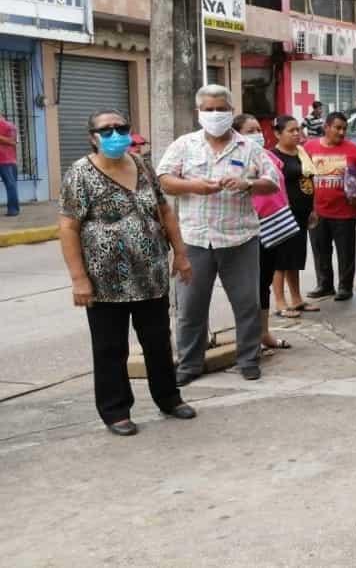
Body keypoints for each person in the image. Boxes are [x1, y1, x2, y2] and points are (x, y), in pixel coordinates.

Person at [58, 109, 198, 435]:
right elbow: (67, 228)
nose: (115, 134)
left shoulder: (142, 165)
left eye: (121, 128)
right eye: (106, 130)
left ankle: (169, 398)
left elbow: (164, 210)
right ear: (92, 137)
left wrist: (181, 254)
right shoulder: (80, 174)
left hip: (150, 276)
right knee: (110, 348)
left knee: (158, 342)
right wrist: (79, 279)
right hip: (105, 282)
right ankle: (116, 411)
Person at [157, 84, 282, 385]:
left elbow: (273, 182)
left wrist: (247, 184)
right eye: (209, 109)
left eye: (221, 109)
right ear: (199, 112)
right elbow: (163, 180)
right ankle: (188, 364)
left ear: (231, 110)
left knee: (247, 304)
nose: (215, 115)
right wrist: (194, 186)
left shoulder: (249, 147)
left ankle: (249, 360)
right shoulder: (184, 145)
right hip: (195, 240)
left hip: (239, 239)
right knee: (190, 307)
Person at [235, 114, 294, 356]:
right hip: (250, 229)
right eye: (250, 130)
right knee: (251, 285)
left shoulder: (267, 157)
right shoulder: (237, 160)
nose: (257, 134)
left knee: (264, 282)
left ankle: (264, 333)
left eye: (259, 129)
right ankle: (249, 338)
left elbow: (279, 188)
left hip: (275, 226)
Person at [304, 111, 356, 302]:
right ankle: (325, 285)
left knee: (346, 252)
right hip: (317, 211)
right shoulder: (310, 147)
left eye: (344, 128)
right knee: (320, 250)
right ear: (326, 127)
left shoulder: (353, 149)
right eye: (337, 128)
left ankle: (345, 287)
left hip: (345, 212)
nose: (341, 132)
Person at [269, 115, 319, 317]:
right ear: (277, 134)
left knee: (295, 259)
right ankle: (280, 304)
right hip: (283, 215)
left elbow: (309, 182)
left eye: (298, 129)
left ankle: (296, 299)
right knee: (280, 260)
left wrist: (312, 209)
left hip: (302, 213)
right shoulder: (273, 157)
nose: (297, 133)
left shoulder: (301, 153)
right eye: (291, 130)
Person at [0, 110, 19, 216]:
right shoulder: (11, 126)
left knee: (11, 186)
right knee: (12, 185)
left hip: (5, 160)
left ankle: (13, 210)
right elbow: (14, 142)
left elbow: (12, 141)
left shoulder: (7, 126)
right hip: (8, 160)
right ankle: (13, 210)